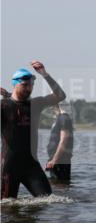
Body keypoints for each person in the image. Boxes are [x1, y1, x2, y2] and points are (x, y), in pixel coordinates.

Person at [1, 61, 67, 199]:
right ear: (15, 84)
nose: (28, 88)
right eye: (25, 85)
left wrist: (44, 74)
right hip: (8, 167)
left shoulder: (35, 104)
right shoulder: (4, 106)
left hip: (31, 165)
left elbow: (61, 95)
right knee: (7, 209)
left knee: (48, 201)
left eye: (31, 85)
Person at [46, 103, 74, 182]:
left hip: (60, 160)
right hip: (57, 159)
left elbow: (64, 139)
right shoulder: (60, 118)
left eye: (52, 107)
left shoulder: (63, 118)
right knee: (56, 186)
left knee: (61, 186)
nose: (51, 109)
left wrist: (54, 160)